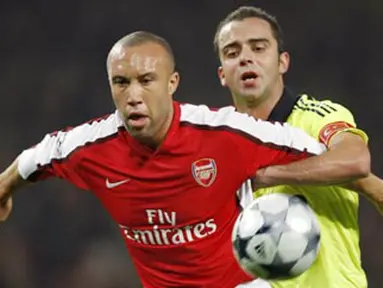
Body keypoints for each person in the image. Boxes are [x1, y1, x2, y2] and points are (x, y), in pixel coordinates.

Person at [0, 31, 370, 288]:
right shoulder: (90, 146)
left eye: (146, 80)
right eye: (121, 82)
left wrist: (377, 191)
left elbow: (336, 159)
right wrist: (4, 189)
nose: (133, 95)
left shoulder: (225, 133)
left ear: (172, 83)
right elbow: (35, 159)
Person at [214, 6, 383, 288]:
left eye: (258, 48)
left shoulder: (316, 117)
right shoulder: (218, 142)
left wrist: (266, 176)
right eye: (232, 53)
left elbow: (355, 160)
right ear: (222, 74)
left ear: (282, 62)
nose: (245, 58)